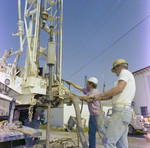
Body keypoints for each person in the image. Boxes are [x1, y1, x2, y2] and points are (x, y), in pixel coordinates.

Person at [89, 59, 136, 148]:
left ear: (119, 67)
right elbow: (112, 96)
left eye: (115, 70)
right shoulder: (127, 77)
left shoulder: (124, 72)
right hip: (124, 112)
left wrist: (101, 94)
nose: (115, 72)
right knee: (122, 144)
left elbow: (119, 89)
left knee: (107, 142)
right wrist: (96, 98)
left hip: (120, 112)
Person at [66, 77, 106, 148]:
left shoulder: (95, 92)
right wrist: (71, 83)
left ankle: (108, 146)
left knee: (102, 133)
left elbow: (89, 99)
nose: (86, 84)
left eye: (87, 83)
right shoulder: (87, 91)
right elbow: (79, 87)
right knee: (91, 134)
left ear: (91, 84)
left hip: (99, 116)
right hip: (92, 116)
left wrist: (81, 98)